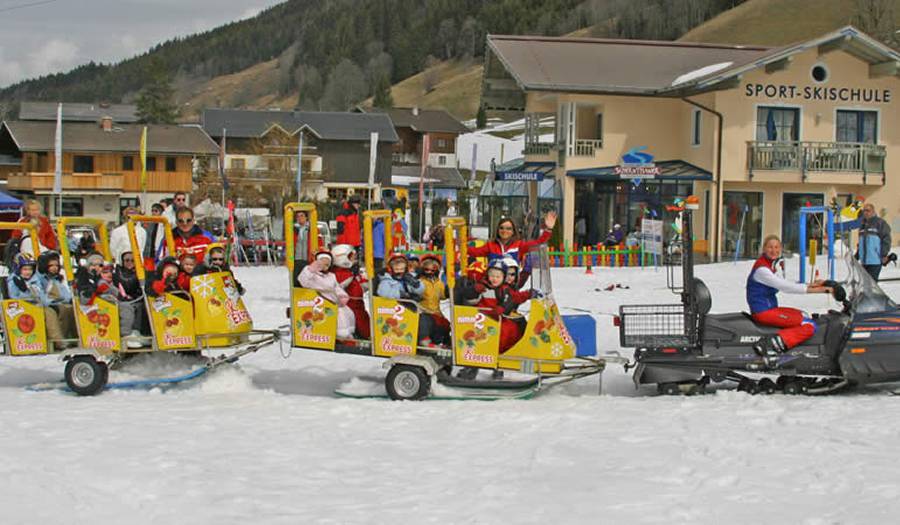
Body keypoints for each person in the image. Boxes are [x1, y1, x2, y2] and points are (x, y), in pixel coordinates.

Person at [748, 235, 834, 363]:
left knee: (803, 314)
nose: (774, 250)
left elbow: (785, 282)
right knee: (809, 325)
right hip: (763, 312)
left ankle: (792, 344)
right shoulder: (762, 270)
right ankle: (771, 345)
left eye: (777, 247)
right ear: (764, 249)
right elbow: (785, 287)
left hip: (769, 308)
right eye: (770, 247)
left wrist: (814, 285)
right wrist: (819, 290)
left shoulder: (770, 265)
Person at [7, 253, 69, 351]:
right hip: (24, 307)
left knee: (61, 309)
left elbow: (41, 295)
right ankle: (58, 342)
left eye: (30, 269)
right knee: (49, 313)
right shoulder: (14, 280)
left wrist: (51, 302)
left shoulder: (35, 280)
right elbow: (14, 297)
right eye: (25, 269)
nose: (28, 272)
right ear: (18, 269)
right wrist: (25, 292)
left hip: (38, 305)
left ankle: (65, 337)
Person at [298, 251, 355, 339]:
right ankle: (342, 334)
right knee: (339, 314)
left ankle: (348, 333)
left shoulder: (331, 276)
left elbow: (336, 287)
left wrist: (342, 295)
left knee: (348, 311)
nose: (324, 267)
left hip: (333, 298)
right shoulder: (312, 274)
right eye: (322, 264)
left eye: (327, 265)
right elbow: (303, 281)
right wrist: (310, 270)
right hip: (321, 299)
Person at [468, 211, 557, 265]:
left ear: (513, 231)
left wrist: (548, 229)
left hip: (511, 285)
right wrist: (457, 244)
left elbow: (538, 243)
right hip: (493, 283)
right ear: (498, 230)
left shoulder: (519, 245)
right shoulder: (490, 246)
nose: (504, 231)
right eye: (501, 228)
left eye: (508, 228)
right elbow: (473, 252)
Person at [34, 250, 76, 341]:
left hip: (57, 301)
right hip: (46, 303)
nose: (55, 268)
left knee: (73, 309)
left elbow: (64, 292)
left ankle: (74, 336)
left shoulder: (55, 278)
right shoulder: (38, 278)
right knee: (64, 309)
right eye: (51, 265)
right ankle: (60, 339)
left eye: (56, 265)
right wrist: (52, 302)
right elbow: (39, 293)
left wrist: (70, 299)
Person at [331, 244, 370, 339]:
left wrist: (365, 282)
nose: (354, 260)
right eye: (351, 257)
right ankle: (365, 336)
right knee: (362, 324)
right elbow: (339, 286)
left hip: (358, 303)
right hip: (351, 306)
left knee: (364, 319)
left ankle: (366, 334)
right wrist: (351, 276)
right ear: (342, 258)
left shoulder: (348, 272)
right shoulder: (339, 273)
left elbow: (358, 286)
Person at [114, 251, 149, 338]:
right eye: (127, 260)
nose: (130, 263)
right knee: (127, 308)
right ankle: (126, 333)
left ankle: (138, 331)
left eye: (133, 261)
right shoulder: (117, 273)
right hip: (121, 299)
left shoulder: (140, 272)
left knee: (143, 306)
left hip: (136, 298)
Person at [417, 254, 450, 347]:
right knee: (425, 320)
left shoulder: (439, 283)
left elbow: (443, 296)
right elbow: (416, 292)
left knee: (444, 323)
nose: (430, 272)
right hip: (424, 310)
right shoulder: (420, 282)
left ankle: (440, 341)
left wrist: (448, 291)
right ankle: (424, 339)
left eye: (433, 270)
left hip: (436, 311)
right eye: (427, 270)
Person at [855, 203, 892, 281]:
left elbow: (886, 240)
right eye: (864, 211)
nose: (865, 213)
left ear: (873, 211)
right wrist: (857, 255)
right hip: (864, 261)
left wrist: (883, 254)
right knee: (865, 284)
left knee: (872, 284)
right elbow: (862, 243)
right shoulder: (862, 225)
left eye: (868, 210)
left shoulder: (880, 223)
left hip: (875, 260)